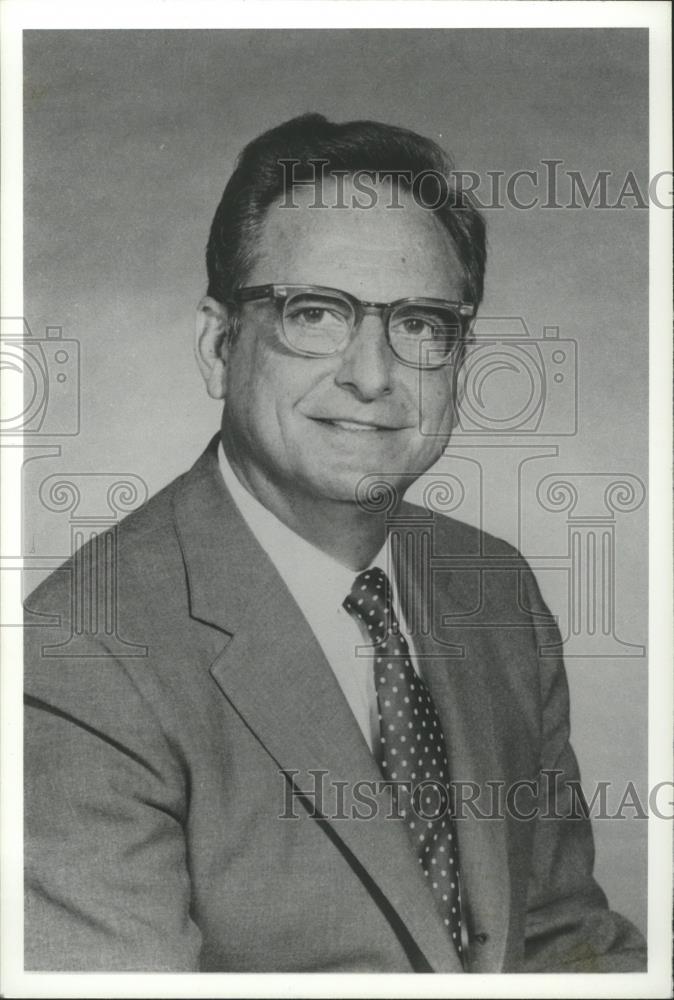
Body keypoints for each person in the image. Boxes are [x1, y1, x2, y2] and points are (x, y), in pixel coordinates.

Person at [24, 113, 646, 973]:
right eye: (314, 313)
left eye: (421, 324)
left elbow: (563, 948)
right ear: (218, 345)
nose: (372, 373)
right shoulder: (78, 656)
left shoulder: (495, 591)